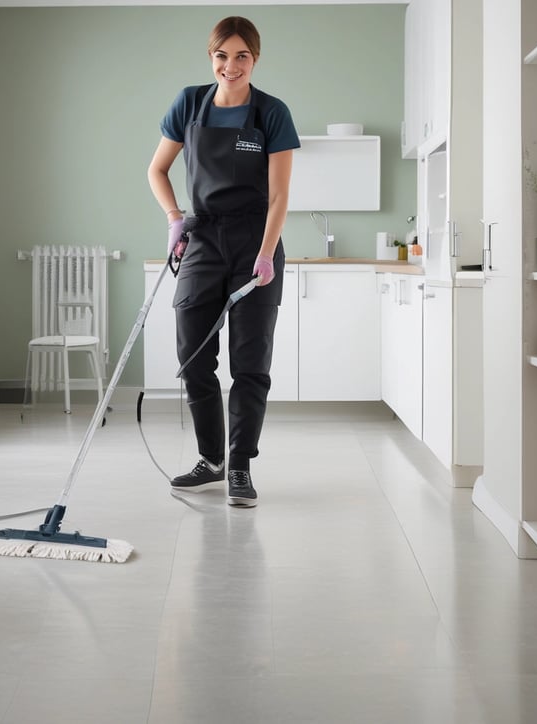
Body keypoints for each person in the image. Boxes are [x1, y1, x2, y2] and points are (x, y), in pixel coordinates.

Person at [147, 16, 299, 507]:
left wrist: (265, 254)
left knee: (250, 364)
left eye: (241, 56)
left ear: (255, 59)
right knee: (193, 357)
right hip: (202, 240)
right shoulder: (190, 104)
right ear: (210, 58)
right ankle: (210, 459)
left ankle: (239, 467)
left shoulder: (271, 113)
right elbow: (157, 169)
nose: (230, 66)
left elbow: (279, 196)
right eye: (222, 56)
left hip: (256, 241)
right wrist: (174, 218)